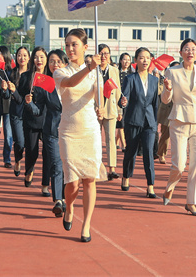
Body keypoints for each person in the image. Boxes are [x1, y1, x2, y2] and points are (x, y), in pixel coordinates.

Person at [53, 28, 106, 243]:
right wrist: (89, 68)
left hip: (90, 130)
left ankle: (86, 225)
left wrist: (102, 108)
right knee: (73, 182)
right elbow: (71, 83)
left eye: (74, 44)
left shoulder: (96, 73)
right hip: (69, 131)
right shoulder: (61, 72)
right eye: (67, 45)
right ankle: (69, 207)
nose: (70, 49)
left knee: (90, 179)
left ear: (85, 47)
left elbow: (100, 98)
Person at [160, 38, 196, 217]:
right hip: (179, 121)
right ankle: (170, 187)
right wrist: (167, 89)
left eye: (193, 49)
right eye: (186, 49)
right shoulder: (172, 72)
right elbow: (165, 100)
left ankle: (191, 202)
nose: (190, 52)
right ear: (181, 52)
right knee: (179, 165)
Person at [118, 48, 160, 198]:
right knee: (131, 152)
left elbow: (155, 103)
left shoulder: (155, 80)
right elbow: (124, 98)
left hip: (149, 122)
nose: (145, 60)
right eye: (141, 58)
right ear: (135, 61)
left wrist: (155, 123)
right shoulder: (130, 79)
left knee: (149, 152)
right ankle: (126, 176)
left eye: (147, 58)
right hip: (133, 121)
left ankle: (150, 186)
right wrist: (123, 102)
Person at [34, 49, 68, 216]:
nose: (55, 65)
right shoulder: (45, 83)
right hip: (52, 130)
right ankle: (58, 200)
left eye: (58, 62)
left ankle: (65, 197)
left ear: (65, 64)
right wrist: (29, 103)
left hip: (70, 130)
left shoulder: (72, 83)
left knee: (68, 166)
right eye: (52, 62)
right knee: (56, 164)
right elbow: (38, 110)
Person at [16, 47, 52, 195]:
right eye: (36, 57)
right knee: (32, 151)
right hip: (31, 119)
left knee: (48, 153)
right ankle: (29, 170)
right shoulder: (26, 76)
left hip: (48, 120)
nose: (39, 60)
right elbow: (19, 98)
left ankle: (45, 185)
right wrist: (26, 100)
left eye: (42, 57)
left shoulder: (51, 77)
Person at [97, 44, 122, 181]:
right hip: (96, 109)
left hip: (111, 108)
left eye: (106, 53)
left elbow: (118, 91)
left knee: (111, 139)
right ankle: (97, 166)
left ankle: (112, 168)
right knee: (96, 139)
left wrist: (119, 109)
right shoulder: (92, 70)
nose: (103, 56)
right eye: (101, 53)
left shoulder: (114, 70)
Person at [8, 47, 29, 178]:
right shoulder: (11, 74)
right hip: (16, 112)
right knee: (20, 142)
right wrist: (6, 89)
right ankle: (17, 160)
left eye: (25, 55)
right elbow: (7, 95)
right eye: (19, 55)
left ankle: (30, 170)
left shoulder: (32, 74)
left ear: (29, 58)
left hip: (31, 114)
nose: (22, 58)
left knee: (30, 143)